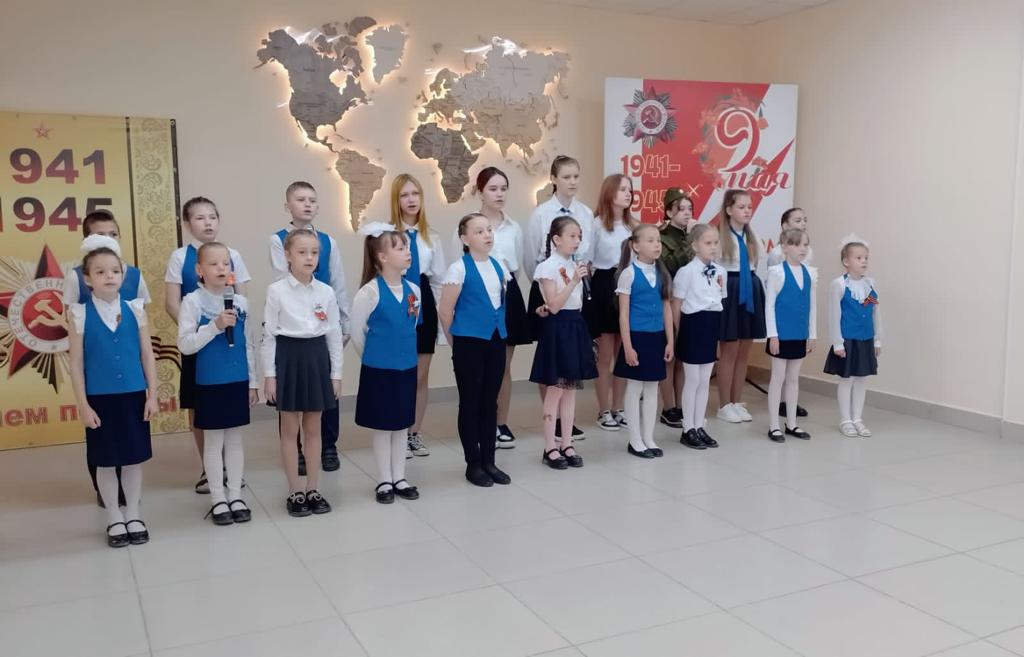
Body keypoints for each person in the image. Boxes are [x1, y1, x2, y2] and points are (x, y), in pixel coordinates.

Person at [67, 237, 159, 547]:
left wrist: (152, 394)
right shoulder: (79, 314)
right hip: (100, 398)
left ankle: (133, 513)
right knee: (105, 460)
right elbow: (76, 364)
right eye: (100, 271)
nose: (109, 276)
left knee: (133, 458)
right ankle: (113, 517)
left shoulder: (135, 309)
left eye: (115, 271)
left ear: (123, 275)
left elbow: (147, 355)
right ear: (87, 279)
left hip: (133, 394)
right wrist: (83, 405)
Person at [165, 197, 252, 494]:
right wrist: (201, 328)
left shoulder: (233, 254)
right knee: (199, 406)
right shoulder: (180, 257)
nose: (208, 222)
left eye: (212, 216)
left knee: (232, 421)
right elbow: (172, 303)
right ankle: (209, 468)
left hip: (229, 343)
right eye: (200, 218)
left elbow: (241, 297)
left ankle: (233, 473)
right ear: (187, 224)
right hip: (198, 339)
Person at [268, 181, 350, 474]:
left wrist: (343, 320)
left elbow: (338, 281)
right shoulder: (278, 239)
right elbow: (282, 278)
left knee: (325, 386)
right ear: (287, 205)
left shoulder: (328, 241)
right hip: (294, 323)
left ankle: (328, 445)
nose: (307, 204)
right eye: (300, 199)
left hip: (323, 320)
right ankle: (296, 450)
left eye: (312, 200)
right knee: (291, 395)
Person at [177, 243, 259, 523]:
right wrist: (214, 327)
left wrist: (253, 382)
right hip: (209, 381)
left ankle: (235, 495)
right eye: (214, 264)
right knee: (213, 442)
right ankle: (218, 499)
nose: (221, 268)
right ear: (199, 270)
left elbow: (248, 344)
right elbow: (185, 344)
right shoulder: (192, 301)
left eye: (226, 263)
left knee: (235, 440)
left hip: (236, 378)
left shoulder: (240, 302)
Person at [262, 230, 343, 516]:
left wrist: (336, 374)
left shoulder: (326, 292)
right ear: (287, 256)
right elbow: (269, 335)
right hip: (289, 358)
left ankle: (313, 488)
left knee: (313, 428)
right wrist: (270, 375)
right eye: (302, 252)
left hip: (317, 358)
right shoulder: (276, 290)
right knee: (289, 429)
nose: (309, 258)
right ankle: (294, 490)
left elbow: (334, 334)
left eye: (314, 252)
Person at [453, 167, 530, 449]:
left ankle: (500, 423)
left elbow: (517, 266)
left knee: (503, 366)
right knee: (478, 369)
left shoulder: (514, 227)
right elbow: (458, 266)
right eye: (493, 189)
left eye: (504, 188)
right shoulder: (467, 225)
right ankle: (479, 423)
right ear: (480, 191)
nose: (499, 194)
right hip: (475, 298)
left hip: (505, 295)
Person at [439, 213, 512, 488]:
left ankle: (489, 461)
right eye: (479, 231)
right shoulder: (458, 269)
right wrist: (456, 342)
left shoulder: (498, 265)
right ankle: (473, 463)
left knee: (490, 402)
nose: (487, 235)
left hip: (495, 339)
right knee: (470, 402)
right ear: (465, 239)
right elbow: (445, 311)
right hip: (468, 342)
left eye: (489, 230)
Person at [351, 222, 422, 504]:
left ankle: (400, 477)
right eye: (400, 248)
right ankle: (384, 480)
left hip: (406, 367)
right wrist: (375, 359)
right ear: (382, 257)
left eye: (407, 247)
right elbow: (358, 334)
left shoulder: (413, 289)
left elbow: (411, 325)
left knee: (402, 423)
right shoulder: (369, 293)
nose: (407, 252)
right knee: (383, 425)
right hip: (379, 370)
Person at [525, 155, 592, 442]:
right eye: (566, 177)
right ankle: (552, 426)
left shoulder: (585, 212)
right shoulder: (541, 214)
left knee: (570, 365)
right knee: (552, 364)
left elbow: (588, 253)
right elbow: (531, 257)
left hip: (575, 289)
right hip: (552, 288)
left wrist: (575, 278)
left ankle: (566, 428)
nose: (572, 182)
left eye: (576, 176)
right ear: (553, 179)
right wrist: (549, 283)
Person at [530, 216, 598, 469]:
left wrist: (578, 278)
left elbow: (577, 303)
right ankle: (550, 446)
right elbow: (554, 305)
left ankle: (567, 443)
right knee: (555, 389)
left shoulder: (574, 265)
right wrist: (574, 281)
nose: (577, 241)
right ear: (556, 239)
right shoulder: (546, 267)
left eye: (579, 236)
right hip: (558, 327)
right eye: (572, 236)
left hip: (575, 325)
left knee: (570, 390)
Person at [389, 174, 444, 458]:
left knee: (421, 376)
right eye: (404, 195)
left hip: (424, 302)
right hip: (397, 299)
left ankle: (413, 433)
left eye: (415, 194)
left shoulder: (431, 237)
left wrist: (443, 326)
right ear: (396, 200)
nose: (411, 200)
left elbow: (439, 281)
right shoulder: (385, 236)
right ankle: (396, 432)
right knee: (400, 374)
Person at [614, 224, 674, 458]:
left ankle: (649, 437)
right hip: (637, 337)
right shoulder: (629, 274)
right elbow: (623, 314)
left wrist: (670, 341)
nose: (657, 245)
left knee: (652, 387)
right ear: (636, 246)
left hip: (657, 337)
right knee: (635, 387)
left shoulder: (662, 274)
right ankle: (635, 439)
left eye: (658, 240)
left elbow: (667, 309)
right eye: (650, 241)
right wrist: (628, 346)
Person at [587, 174, 638, 431]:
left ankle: (619, 407)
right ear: (609, 193)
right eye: (622, 189)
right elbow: (588, 262)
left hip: (628, 286)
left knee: (623, 351)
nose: (628, 194)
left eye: (630, 189)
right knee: (605, 353)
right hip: (604, 285)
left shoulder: (633, 227)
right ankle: (604, 409)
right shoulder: (596, 225)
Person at [672, 225, 726, 449]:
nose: (713, 247)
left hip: (711, 323)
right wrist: (679, 333)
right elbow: (677, 304)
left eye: (715, 242)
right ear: (695, 246)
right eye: (708, 243)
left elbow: (720, 301)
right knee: (692, 380)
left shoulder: (720, 271)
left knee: (705, 380)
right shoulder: (686, 272)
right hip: (692, 325)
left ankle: (699, 424)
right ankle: (688, 428)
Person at [715, 190, 766, 424]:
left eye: (749, 207)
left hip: (750, 289)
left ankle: (736, 401)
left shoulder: (753, 238)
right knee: (729, 350)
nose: (747, 211)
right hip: (730, 290)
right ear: (729, 209)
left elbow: (756, 265)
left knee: (744, 351)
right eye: (741, 207)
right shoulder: (719, 238)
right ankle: (724, 404)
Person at [823, 235, 881, 438]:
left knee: (861, 379)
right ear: (846, 261)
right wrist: (837, 343)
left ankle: (858, 418)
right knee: (846, 379)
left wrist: (877, 339)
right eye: (858, 258)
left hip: (866, 339)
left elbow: (875, 313)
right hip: (847, 340)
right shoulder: (839, 285)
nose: (863, 261)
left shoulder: (870, 285)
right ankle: (845, 419)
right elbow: (834, 315)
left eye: (866, 258)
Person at [765, 229, 817, 443]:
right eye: (796, 244)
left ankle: (792, 423)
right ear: (785, 247)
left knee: (793, 378)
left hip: (800, 333)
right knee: (778, 378)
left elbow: (812, 306)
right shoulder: (777, 272)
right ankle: (773, 425)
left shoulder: (810, 273)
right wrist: (772, 335)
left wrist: (812, 334)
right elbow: (769, 306)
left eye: (805, 244)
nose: (802, 248)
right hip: (781, 334)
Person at [658, 188, 696, 429]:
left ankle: (681, 405)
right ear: (669, 211)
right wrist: (690, 245)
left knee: (683, 357)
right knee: (669, 356)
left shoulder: (691, 237)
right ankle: (668, 406)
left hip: (691, 303)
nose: (686, 213)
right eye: (681, 209)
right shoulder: (662, 237)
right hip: (670, 301)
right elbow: (671, 264)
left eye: (689, 209)